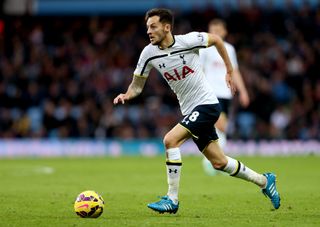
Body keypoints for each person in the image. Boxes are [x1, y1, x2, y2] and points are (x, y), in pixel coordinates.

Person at [113, 8, 280, 213]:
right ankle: (265, 181)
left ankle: (171, 200)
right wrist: (126, 95)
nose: (149, 31)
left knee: (170, 140)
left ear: (167, 27)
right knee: (219, 162)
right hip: (190, 109)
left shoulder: (189, 41)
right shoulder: (148, 53)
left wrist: (228, 70)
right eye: (147, 27)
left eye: (153, 26)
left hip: (208, 105)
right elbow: (137, 86)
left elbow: (217, 40)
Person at [199, 19, 250, 175]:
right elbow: (199, 70)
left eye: (217, 29)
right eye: (211, 29)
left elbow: (234, 71)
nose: (214, 32)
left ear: (224, 32)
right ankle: (212, 161)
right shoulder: (205, 49)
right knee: (219, 125)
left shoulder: (229, 49)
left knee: (221, 128)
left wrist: (243, 91)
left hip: (226, 93)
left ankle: (217, 161)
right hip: (210, 92)